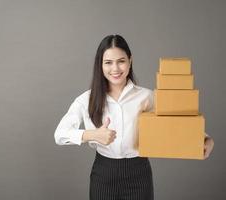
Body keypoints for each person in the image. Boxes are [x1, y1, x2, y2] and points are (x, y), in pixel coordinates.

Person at [54, 34, 214, 200]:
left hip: (139, 172)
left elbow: (175, 122)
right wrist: (93, 135)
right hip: (103, 174)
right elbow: (60, 135)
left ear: (130, 61)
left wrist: (205, 139)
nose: (115, 69)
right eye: (108, 62)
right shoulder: (86, 99)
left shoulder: (146, 96)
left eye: (121, 61)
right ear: (100, 65)